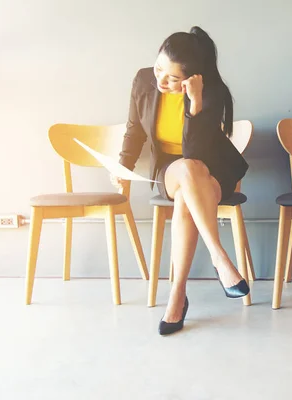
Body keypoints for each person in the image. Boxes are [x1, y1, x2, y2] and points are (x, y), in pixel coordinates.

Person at [112, 26, 250, 335]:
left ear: (191, 77)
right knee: (187, 172)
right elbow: (134, 130)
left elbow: (196, 152)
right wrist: (123, 168)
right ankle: (219, 257)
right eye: (159, 68)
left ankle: (176, 297)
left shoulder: (212, 91)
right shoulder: (143, 80)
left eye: (172, 78)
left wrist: (195, 103)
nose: (160, 80)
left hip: (212, 170)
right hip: (170, 170)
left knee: (190, 186)